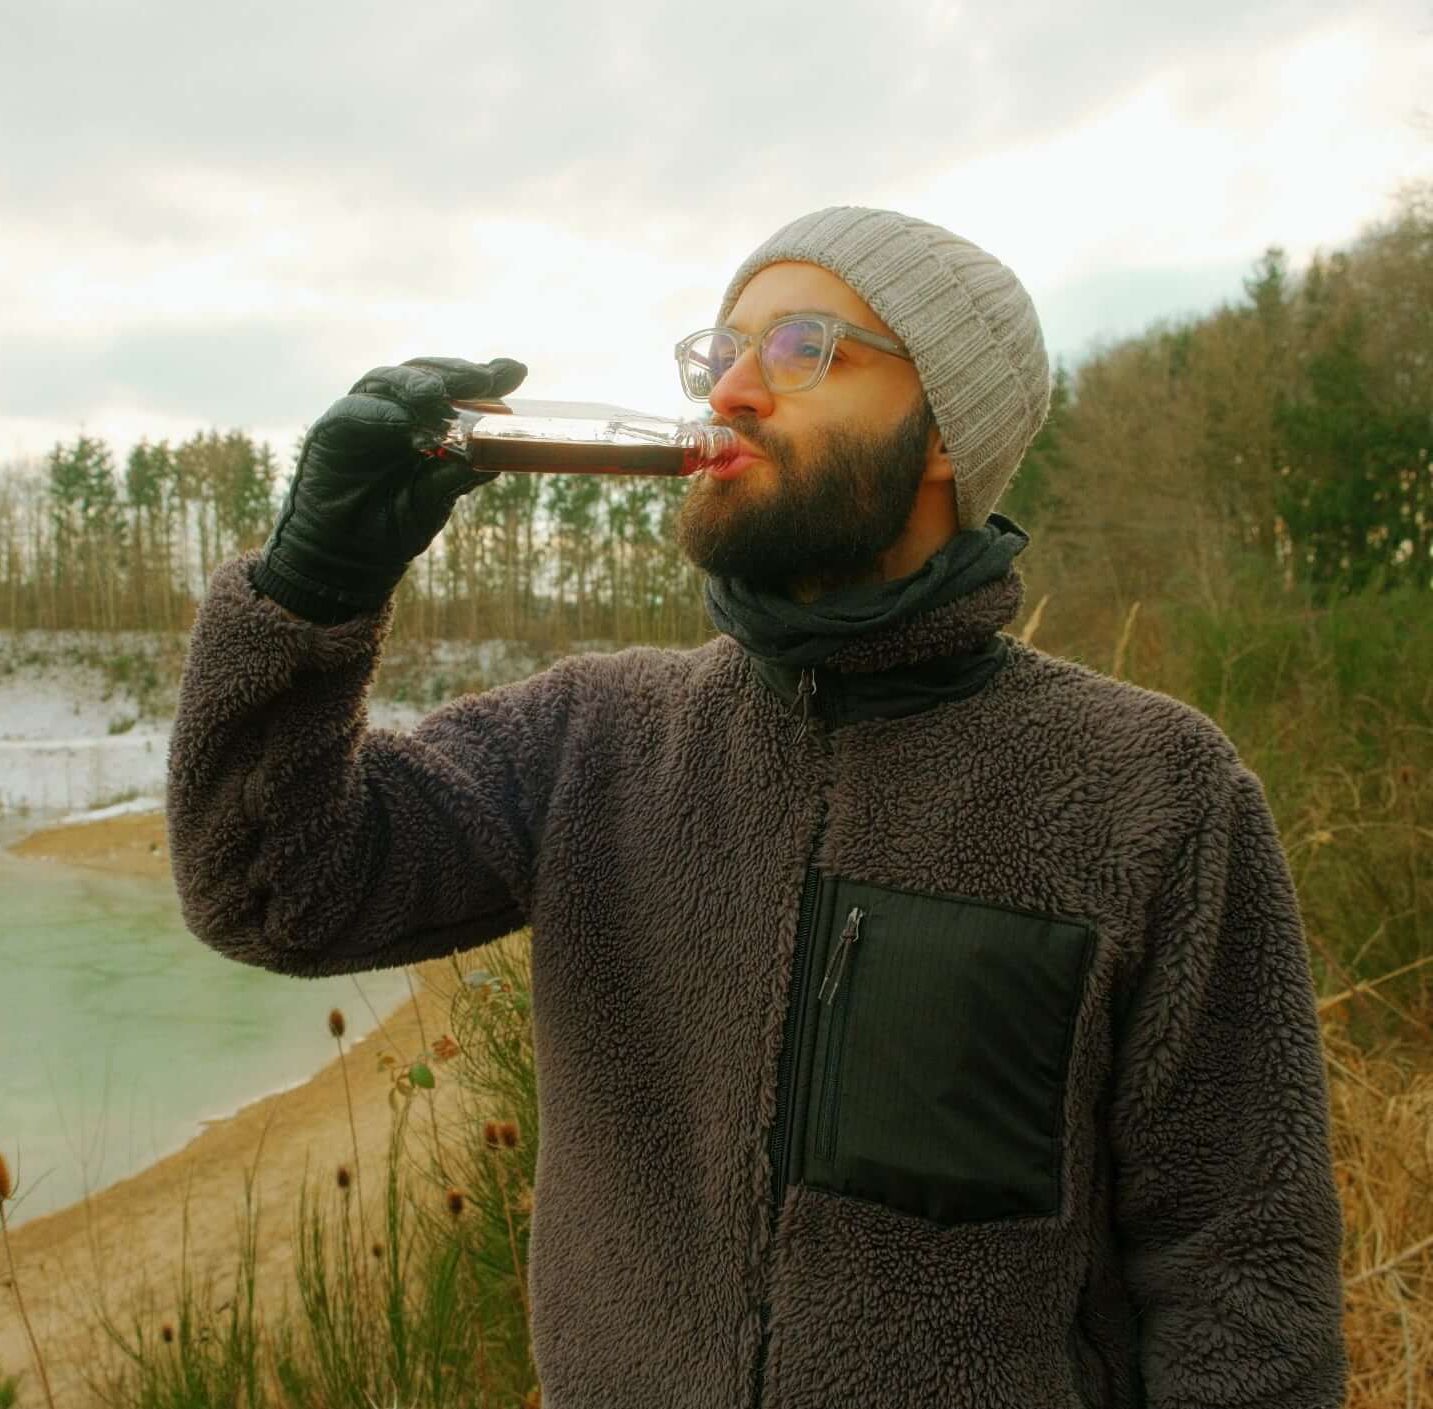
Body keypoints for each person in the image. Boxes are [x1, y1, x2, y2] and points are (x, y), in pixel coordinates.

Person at [165, 206, 1348, 1408]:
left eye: (798, 349)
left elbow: (1242, 1272)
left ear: (943, 429)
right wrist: (311, 586)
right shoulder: (595, 737)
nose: (728, 390)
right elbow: (268, 890)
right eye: (719, 351)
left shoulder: (1146, 786)